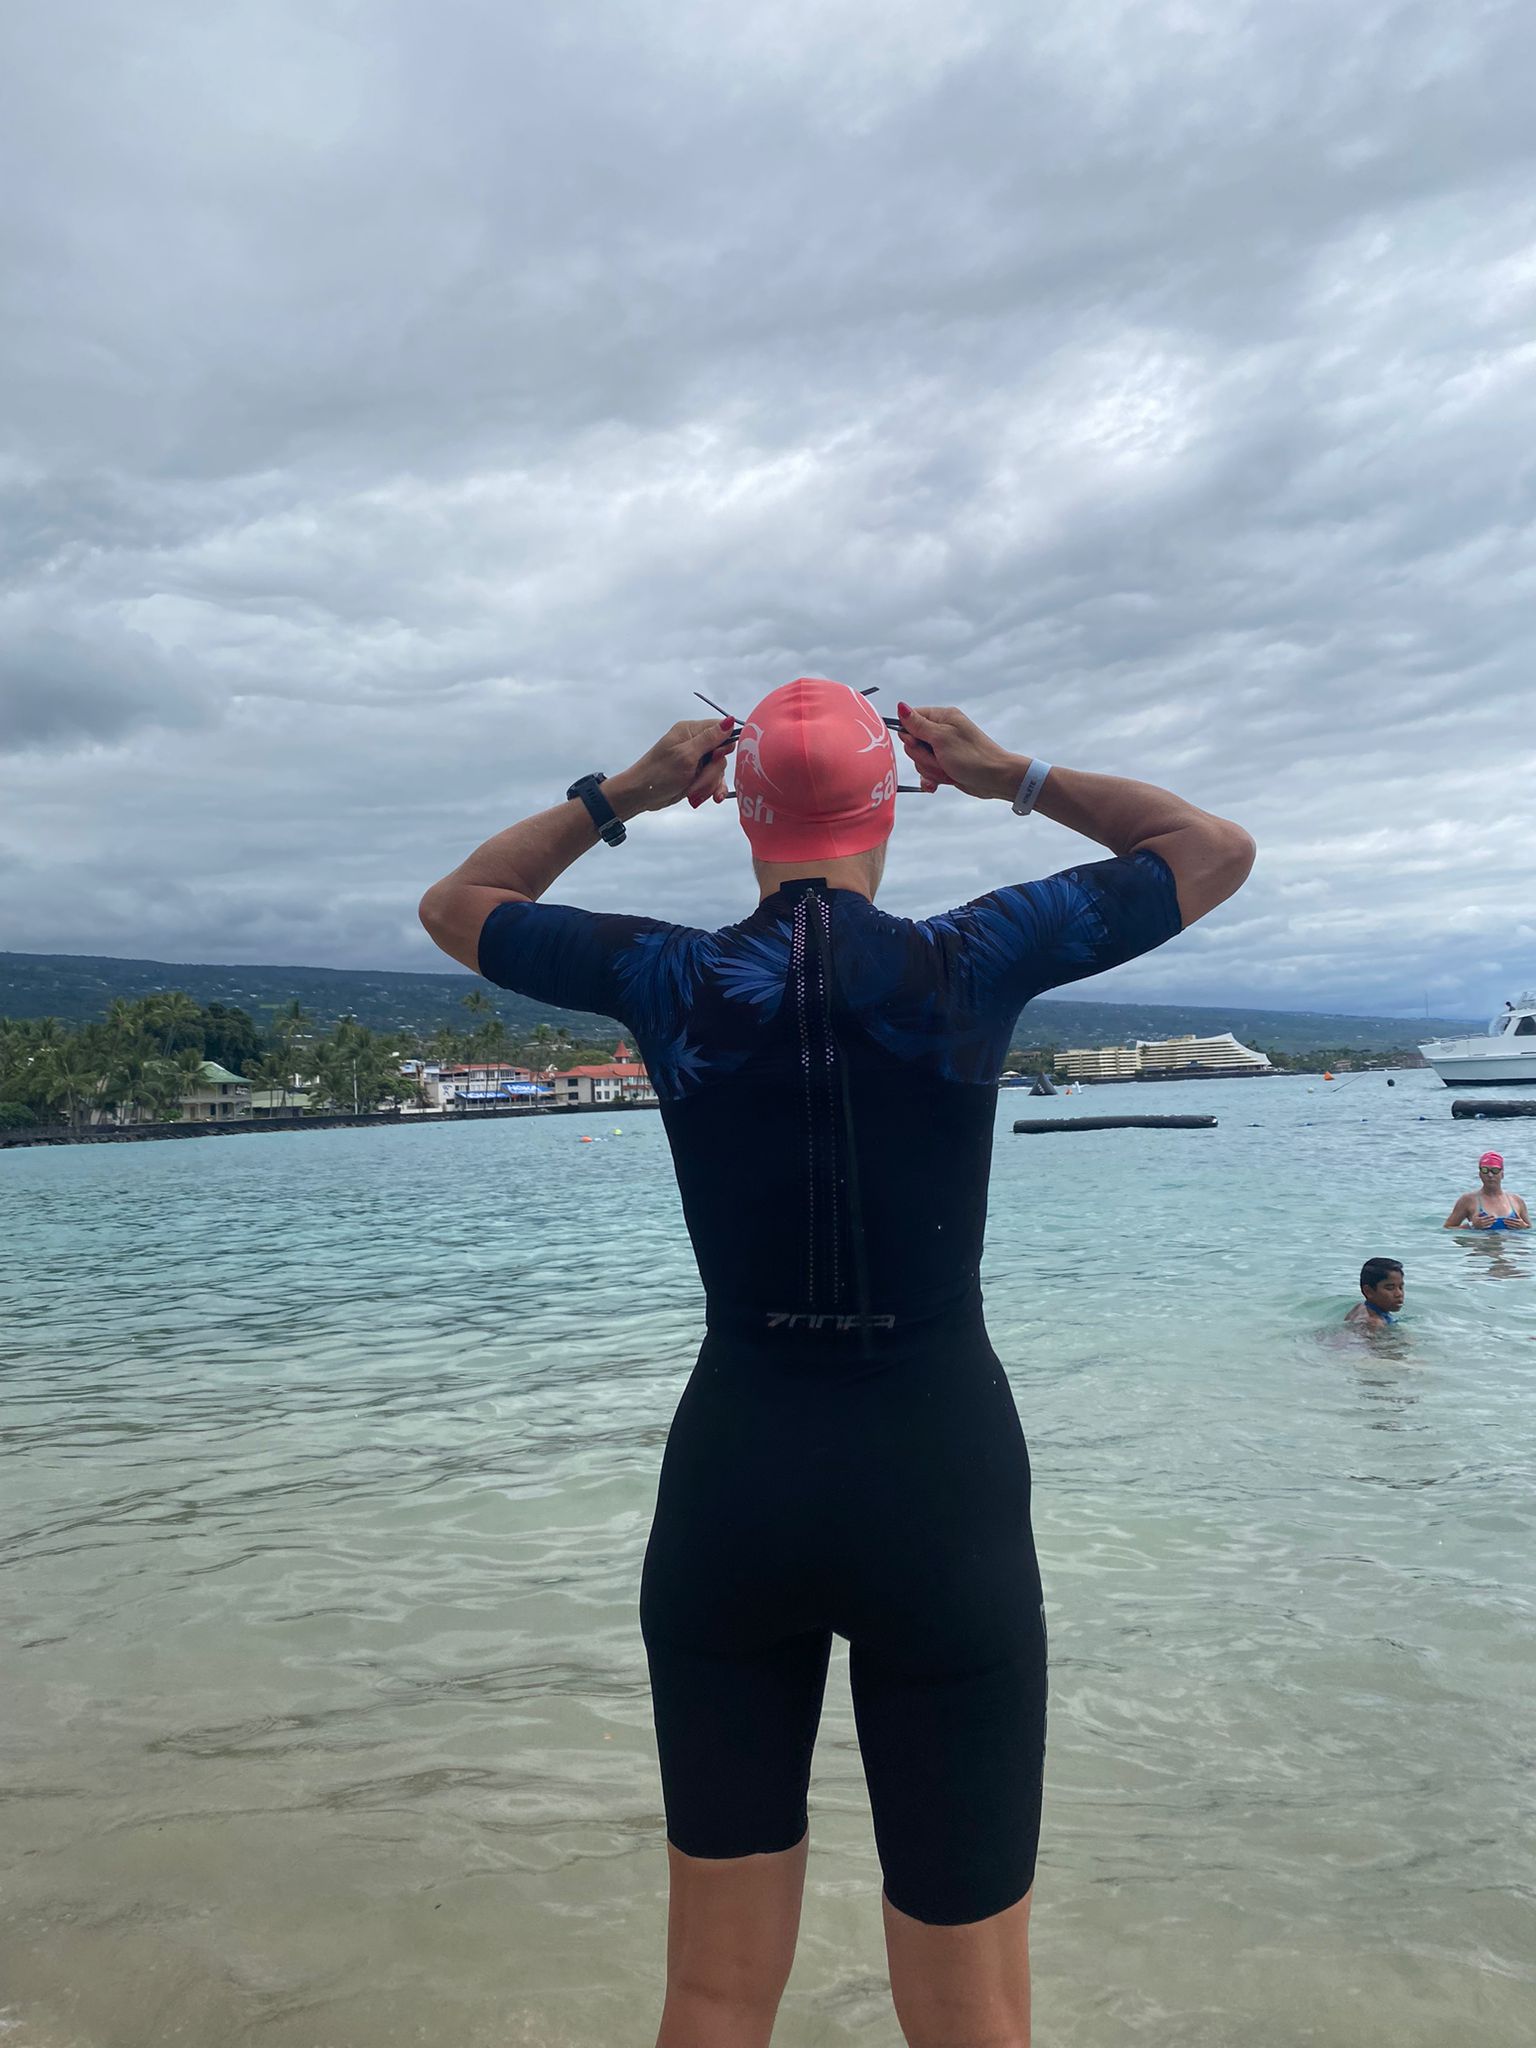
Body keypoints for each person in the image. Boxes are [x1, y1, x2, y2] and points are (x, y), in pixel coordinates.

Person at [419, 680, 1254, 2048]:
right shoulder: (972, 957)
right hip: (938, 1487)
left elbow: (459, 904)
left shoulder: (668, 976)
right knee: (971, 2012)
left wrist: (623, 793)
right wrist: (1010, 773)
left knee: (712, 1996)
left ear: (737, 810)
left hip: (736, 1484)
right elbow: (1211, 850)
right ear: (893, 802)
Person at [1442, 1151, 1530, 1231]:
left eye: (1495, 1170)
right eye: (1485, 1170)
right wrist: (1471, 1226)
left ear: (1502, 1174)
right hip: (1481, 1243)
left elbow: (1530, 1231)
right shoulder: (1468, 1200)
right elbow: (1447, 1229)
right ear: (1480, 1174)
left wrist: (1523, 1227)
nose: (1490, 1175)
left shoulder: (1516, 1201)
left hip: (1510, 1244)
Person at [1345, 1256, 1405, 1328]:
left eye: (1401, 1287)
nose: (1399, 1294)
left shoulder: (1360, 1307)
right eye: (1390, 1288)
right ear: (1368, 1291)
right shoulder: (1374, 1323)